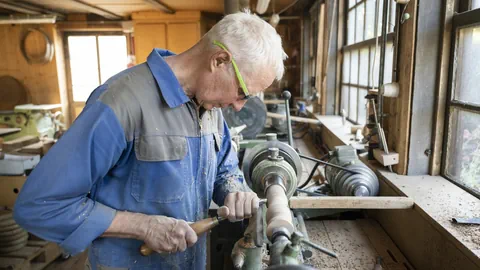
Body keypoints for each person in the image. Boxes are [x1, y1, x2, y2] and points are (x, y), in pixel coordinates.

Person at [14, 11, 287, 270]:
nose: (239, 107)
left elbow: (224, 169)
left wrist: (234, 190)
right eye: (242, 93)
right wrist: (143, 226)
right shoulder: (120, 103)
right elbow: (40, 205)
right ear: (219, 60)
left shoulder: (210, 106)